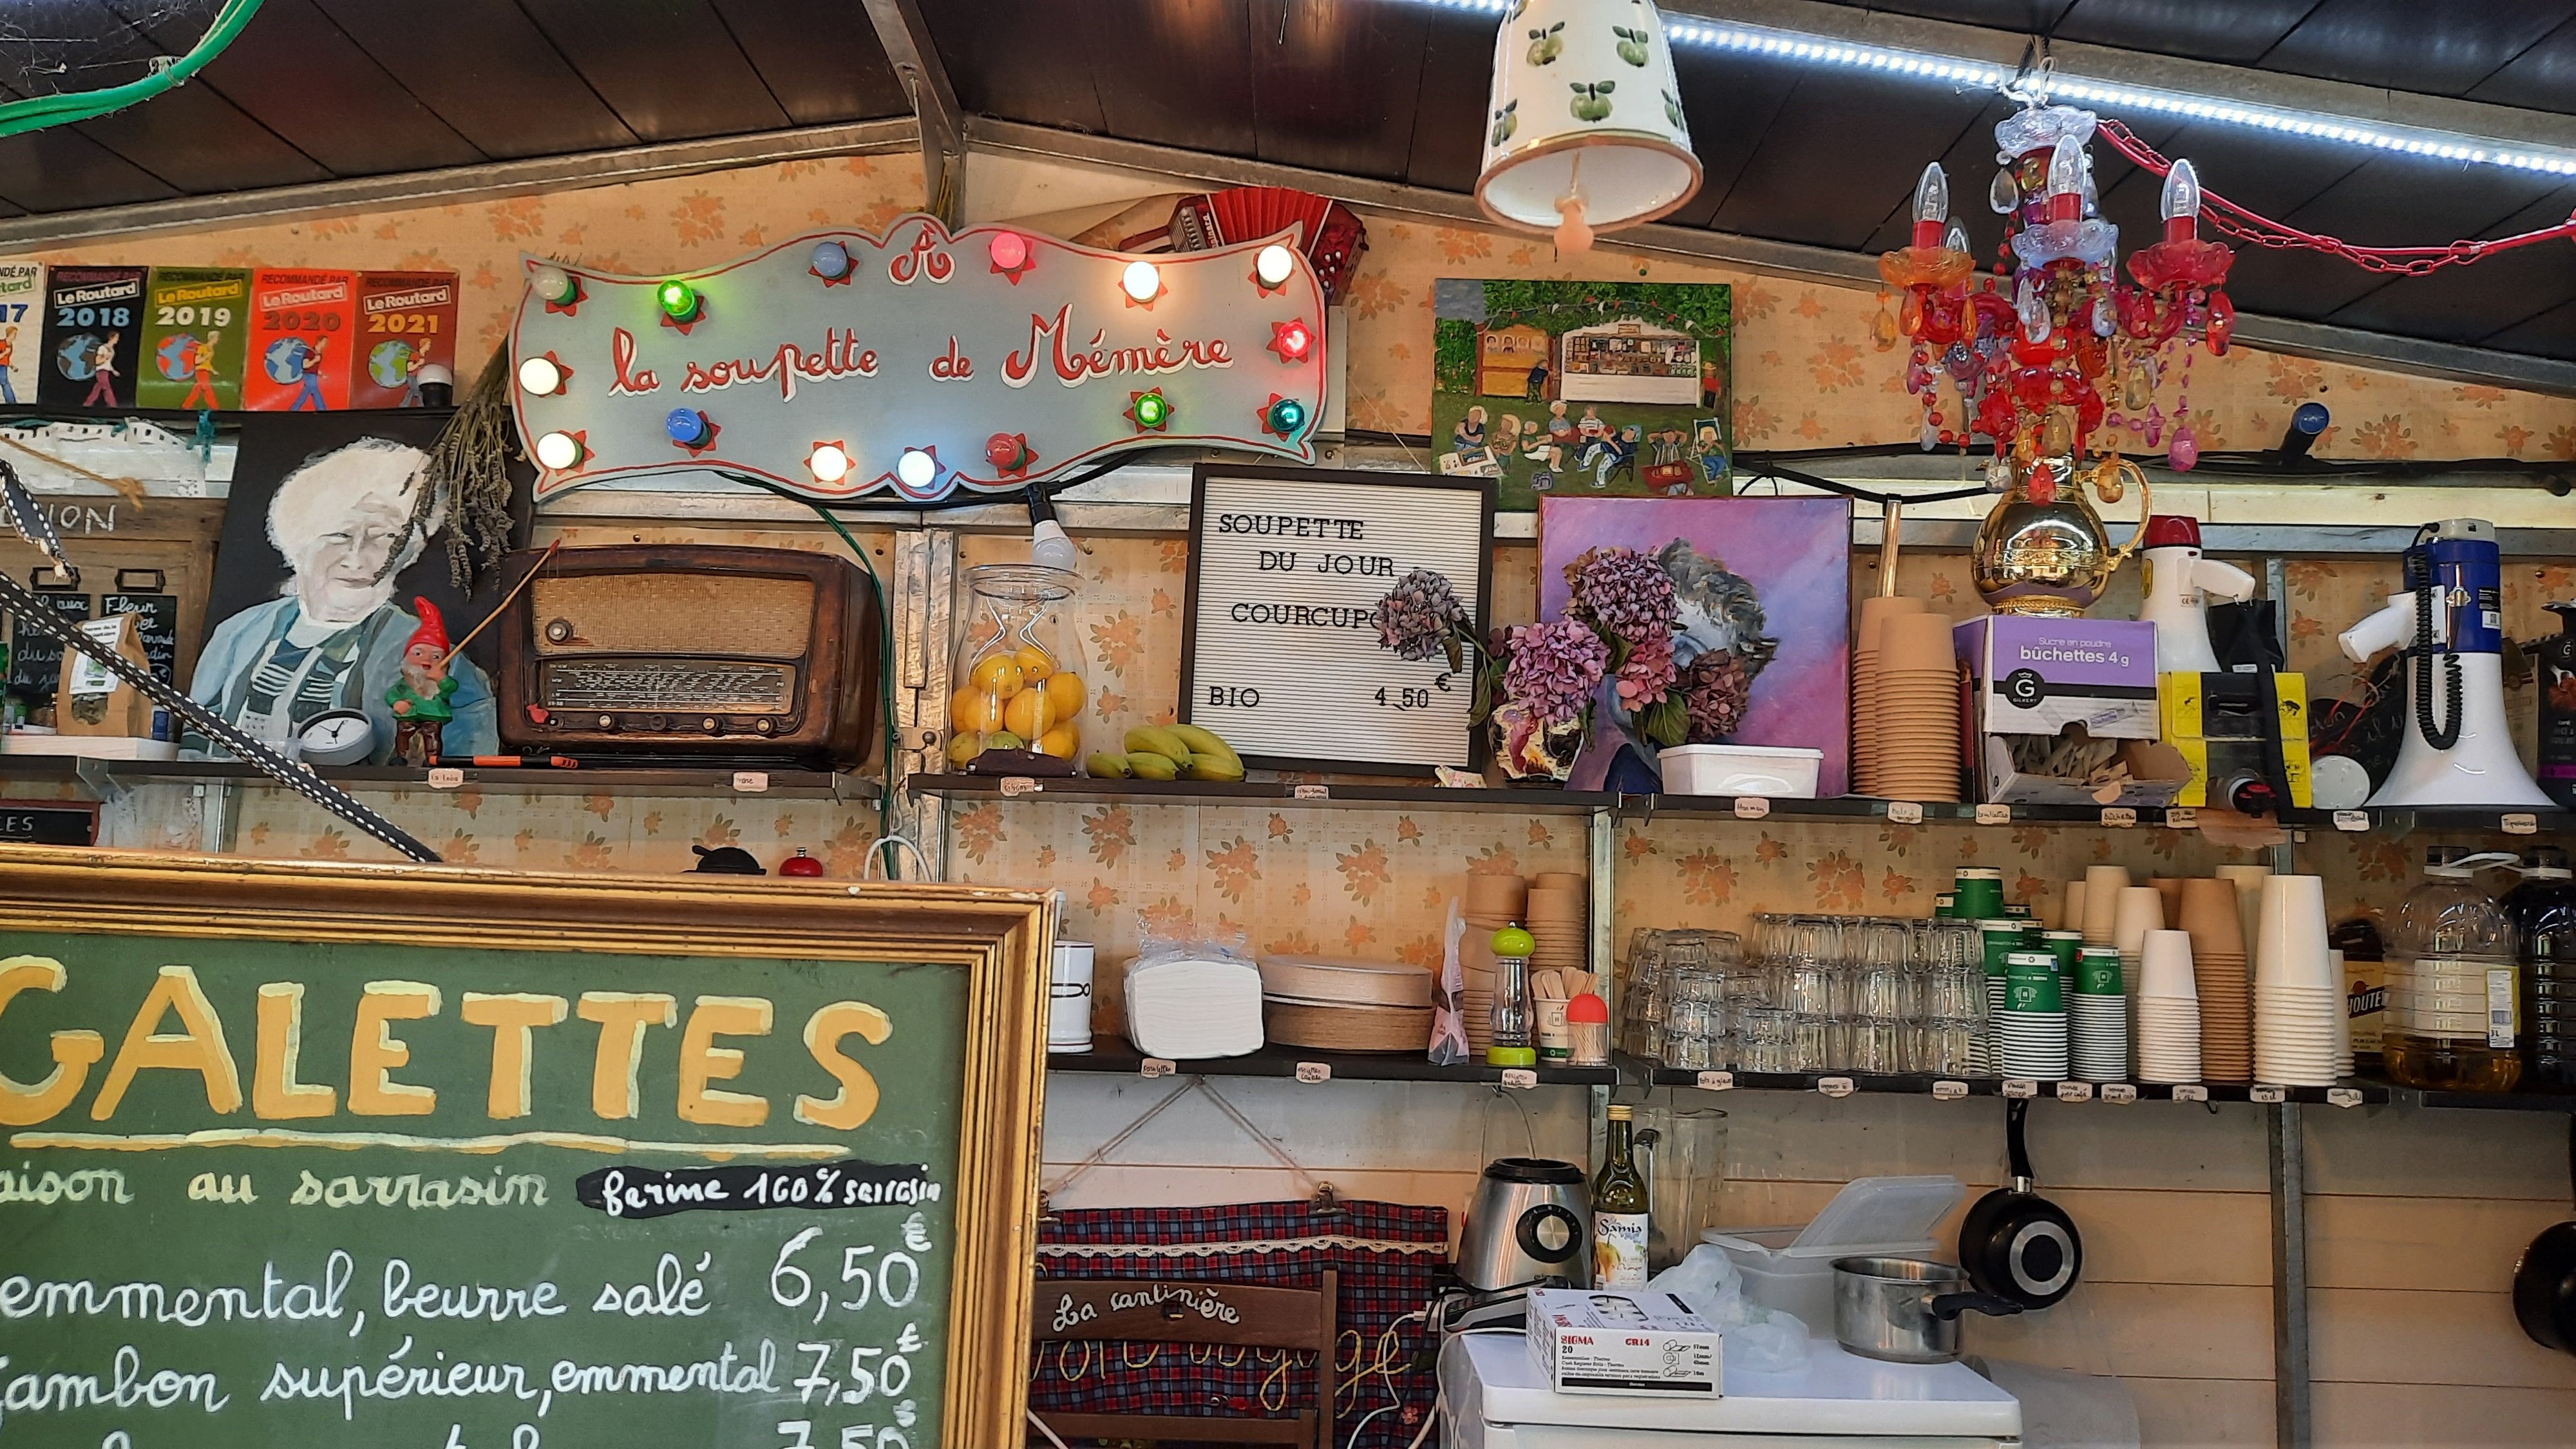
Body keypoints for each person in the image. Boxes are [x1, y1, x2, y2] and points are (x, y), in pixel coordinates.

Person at [186, 437, 495, 763]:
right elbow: (195, 735)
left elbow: (466, 761)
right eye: (340, 535)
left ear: (410, 550)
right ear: (298, 540)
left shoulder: (431, 654)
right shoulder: (238, 632)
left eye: (385, 537)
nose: (357, 559)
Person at [386, 598, 457, 765]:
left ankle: (432, 759)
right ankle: (402, 757)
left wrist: (441, 678)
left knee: (432, 735)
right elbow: (392, 693)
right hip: (408, 714)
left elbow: (451, 688)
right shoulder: (406, 682)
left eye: (436, 657)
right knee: (404, 732)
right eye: (418, 654)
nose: (426, 661)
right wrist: (396, 703)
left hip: (433, 713)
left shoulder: (437, 683)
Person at [180, 330, 222, 410]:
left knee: (197, 391)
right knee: (208, 390)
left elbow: (207, 363)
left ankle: (185, 407)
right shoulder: (203, 348)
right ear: (212, 338)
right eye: (217, 337)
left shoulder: (211, 349)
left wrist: (213, 371)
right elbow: (197, 361)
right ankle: (215, 408)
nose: (218, 339)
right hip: (201, 371)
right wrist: (206, 356)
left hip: (205, 371)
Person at [290, 335, 330, 411]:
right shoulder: (310, 352)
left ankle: (294, 409)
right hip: (308, 375)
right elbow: (305, 366)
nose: (326, 344)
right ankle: (322, 409)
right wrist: (315, 360)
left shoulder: (319, 354)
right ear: (319, 342)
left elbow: (315, 368)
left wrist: (321, 375)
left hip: (313, 375)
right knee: (315, 391)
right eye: (324, 342)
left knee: (304, 395)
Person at [83, 333, 118, 407]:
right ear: (111, 338)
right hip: (101, 371)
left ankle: (88, 403)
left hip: (106, 371)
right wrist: (106, 357)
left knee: (98, 388)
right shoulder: (103, 348)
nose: (117, 340)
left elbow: (108, 363)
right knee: (107, 387)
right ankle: (112, 404)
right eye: (116, 337)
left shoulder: (112, 350)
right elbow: (97, 361)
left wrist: (113, 370)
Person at [0, 325, 17, 405]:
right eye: (14, 334)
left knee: (5, 383)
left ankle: (11, 402)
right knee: (5, 383)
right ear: (9, 334)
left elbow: (6, 360)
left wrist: (12, 367)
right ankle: (11, 402)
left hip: (4, 367)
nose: (15, 336)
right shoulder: (1, 343)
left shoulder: (11, 345)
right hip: (1, 367)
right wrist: (5, 353)